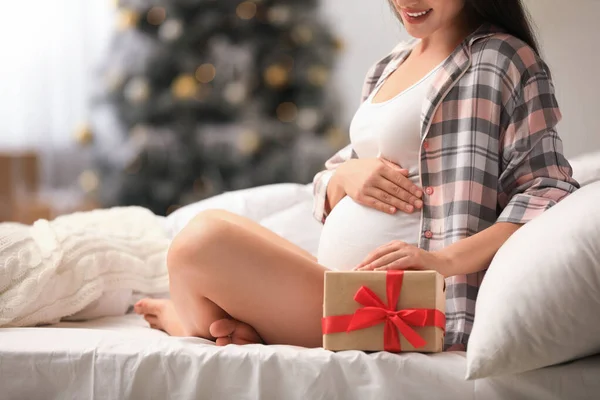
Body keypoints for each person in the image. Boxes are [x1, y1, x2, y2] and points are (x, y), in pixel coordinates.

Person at [134, 0, 579, 351]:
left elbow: (546, 191)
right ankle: (229, 324)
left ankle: (191, 323)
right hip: (338, 285)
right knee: (204, 232)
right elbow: (331, 178)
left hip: (406, 306)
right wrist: (346, 177)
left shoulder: (504, 60)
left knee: (201, 242)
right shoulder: (390, 65)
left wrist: (443, 262)